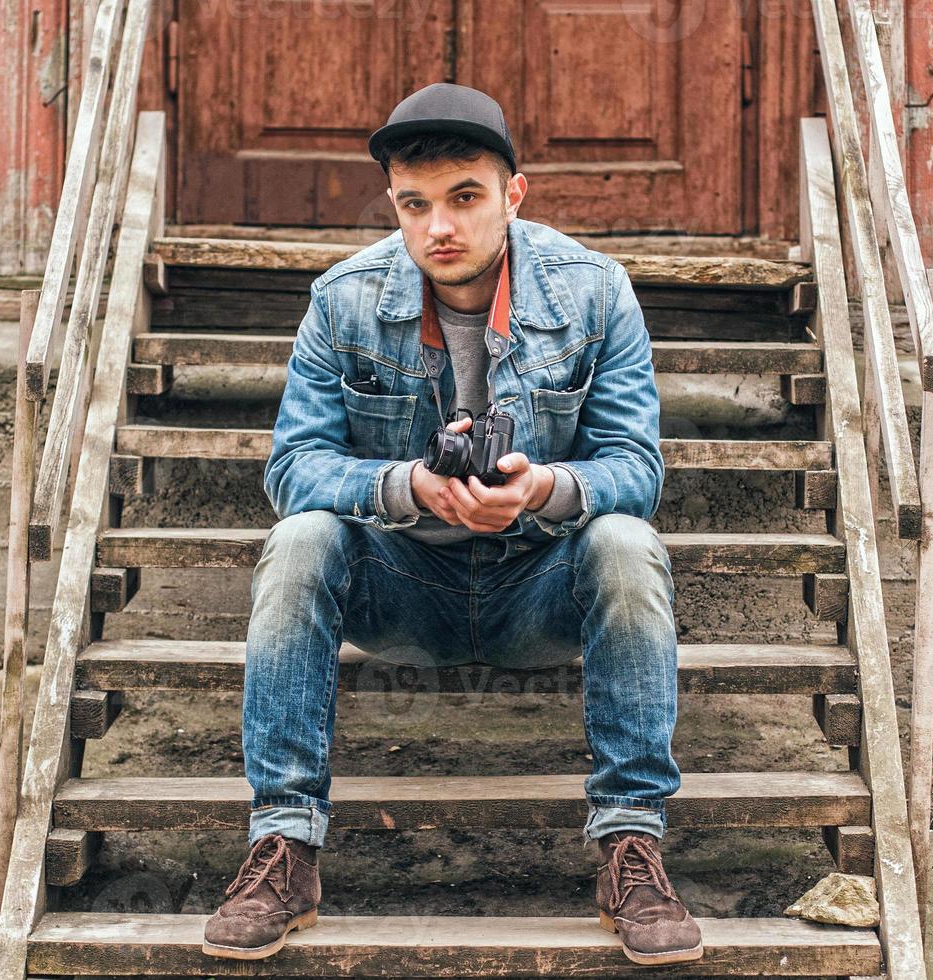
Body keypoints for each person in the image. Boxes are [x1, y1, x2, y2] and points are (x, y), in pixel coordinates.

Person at [201, 82, 702, 967]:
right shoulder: (344, 300)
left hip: (539, 589)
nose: (440, 227)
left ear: (514, 194)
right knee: (300, 540)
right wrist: (407, 487)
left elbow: (637, 470)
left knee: (627, 542)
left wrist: (543, 486)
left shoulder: (594, 293)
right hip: (402, 590)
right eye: (415, 205)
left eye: (465, 198)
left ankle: (630, 847)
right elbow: (291, 469)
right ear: (395, 205)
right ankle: (284, 848)